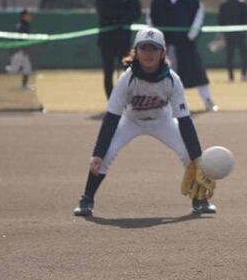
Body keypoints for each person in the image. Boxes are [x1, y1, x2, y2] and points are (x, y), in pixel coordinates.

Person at [72, 27, 217, 218]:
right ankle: (87, 199)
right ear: (136, 51)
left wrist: (197, 156)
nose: (149, 54)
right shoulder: (127, 79)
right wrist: (98, 153)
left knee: (190, 155)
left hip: (162, 121)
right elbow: (111, 119)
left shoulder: (172, 80)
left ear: (162, 52)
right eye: (144, 48)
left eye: (154, 49)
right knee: (105, 156)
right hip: (131, 121)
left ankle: (199, 200)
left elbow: (185, 121)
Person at [148, 0, 217, 112]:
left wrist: (191, 34)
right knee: (166, 76)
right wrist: (156, 37)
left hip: (186, 43)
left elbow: (199, 13)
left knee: (197, 72)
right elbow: (151, 18)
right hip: (166, 43)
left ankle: (208, 101)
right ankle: (167, 106)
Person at [95, 0, 142, 99]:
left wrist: (123, 20)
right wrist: (117, 18)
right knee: (108, 71)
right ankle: (111, 101)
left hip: (123, 37)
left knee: (128, 70)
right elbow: (102, 11)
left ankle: (128, 98)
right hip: (106, 38)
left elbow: (136, 11)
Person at [218, 0, 247, 82]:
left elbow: (221, 20)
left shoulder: (223, 4)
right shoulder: (242, 3)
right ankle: (244, 74)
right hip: (240, 33)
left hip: (229, 33)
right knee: (243, 54)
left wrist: (221, 33)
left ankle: (231, 76)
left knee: (230, 55)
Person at [0, 9, 35, 90]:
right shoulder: (22, 26)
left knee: (27, 68)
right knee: (13, 70)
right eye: (28, 15)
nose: (30, 17)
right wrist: (20, 49)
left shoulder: (25, 25)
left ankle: (24, 85)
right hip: (18, 51)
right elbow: (17, 39)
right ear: (23, 16)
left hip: (21, 50)